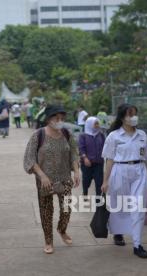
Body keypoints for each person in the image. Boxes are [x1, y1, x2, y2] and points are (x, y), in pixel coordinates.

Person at [23, 105, 80, 254]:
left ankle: (62, 229)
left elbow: (73, 153)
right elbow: (30, 158)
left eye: (62, 118)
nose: (60, 121)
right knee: (47, 211)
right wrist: (42, 176)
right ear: (48, 119)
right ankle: (48, 240)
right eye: (56, 118)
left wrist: (77, 171)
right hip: (45, 179)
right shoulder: (38, 135)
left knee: (67, 208)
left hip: (64, 178)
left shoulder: (67, 134)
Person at [101, 103, 147, 259]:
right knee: (120, 206)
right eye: (130, 114)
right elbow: (109, 160)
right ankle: (118, 233)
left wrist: (146, 178)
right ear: (122, 117)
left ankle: (137, 245)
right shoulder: (114, 136)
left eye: (135, 114)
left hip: (139, 171)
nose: (133, 117)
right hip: (119, 171)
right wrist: (105, 181)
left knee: (138, 207)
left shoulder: (142, 135)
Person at [79, 117, 105, 200]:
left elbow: (105, 147)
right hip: (87, 163)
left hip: (99, 163)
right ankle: (85, 192)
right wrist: (85, 158)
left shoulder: (101, 135)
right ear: (90, 124)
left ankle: (98, 199)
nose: (97, 125)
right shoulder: (83, 136)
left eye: (98, 123)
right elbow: (81, 148)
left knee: (99, 181)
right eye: (95, 123)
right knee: (87, 180)